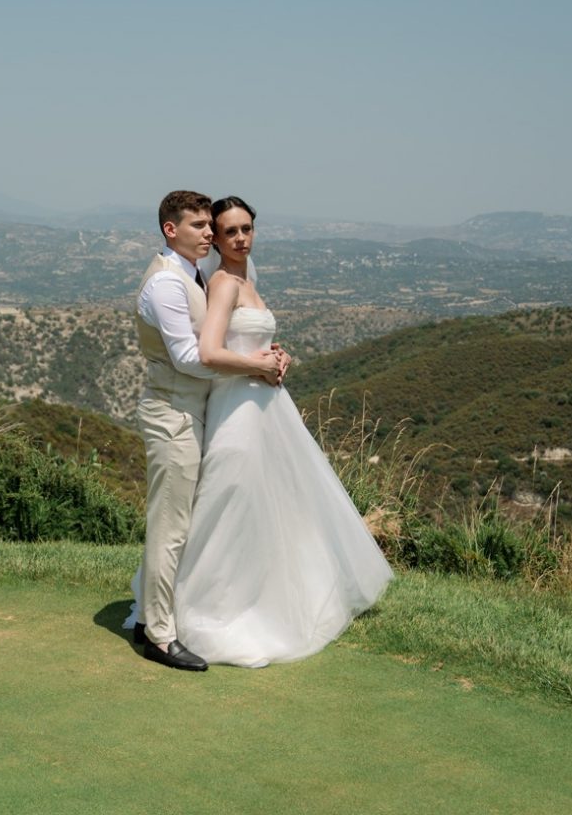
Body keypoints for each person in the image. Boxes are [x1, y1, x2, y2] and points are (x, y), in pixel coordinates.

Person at [172, 195, 394, 667]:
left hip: (266, 405)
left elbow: (247, 339)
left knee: (275, 502)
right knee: (234, 499)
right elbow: (210, 351)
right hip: (239, 406)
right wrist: (258, 365)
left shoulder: (248, 280)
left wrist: (276, 354)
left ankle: (273, 598)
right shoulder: (223, 284)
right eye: (229, 231)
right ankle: (217, 607)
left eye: (246, 229)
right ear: (216, 238)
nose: (240, 238)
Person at [131, 190, 284, 671]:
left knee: (181, 520)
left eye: (208, 225)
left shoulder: (194, 274)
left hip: (196, 410)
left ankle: (149, 616)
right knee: (171, 526)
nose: (209, 233)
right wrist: (254, 367)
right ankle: (159, 636)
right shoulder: (166, 284)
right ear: (170, 230)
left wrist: (265, 355)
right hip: (172, 414)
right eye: (199, 226)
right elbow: (188, 357)